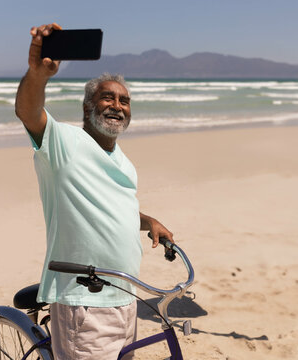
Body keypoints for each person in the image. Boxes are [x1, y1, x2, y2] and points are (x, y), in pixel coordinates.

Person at [15, 23, 174, 360]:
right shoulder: (63, 143)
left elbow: (117, 207)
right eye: (108, 96)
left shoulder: (124, 162)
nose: (118, 105)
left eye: (125, 100)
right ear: (88, 107)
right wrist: (37, 75)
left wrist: (149, 221)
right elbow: (28, 112)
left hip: (126, 296)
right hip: (84, 302)